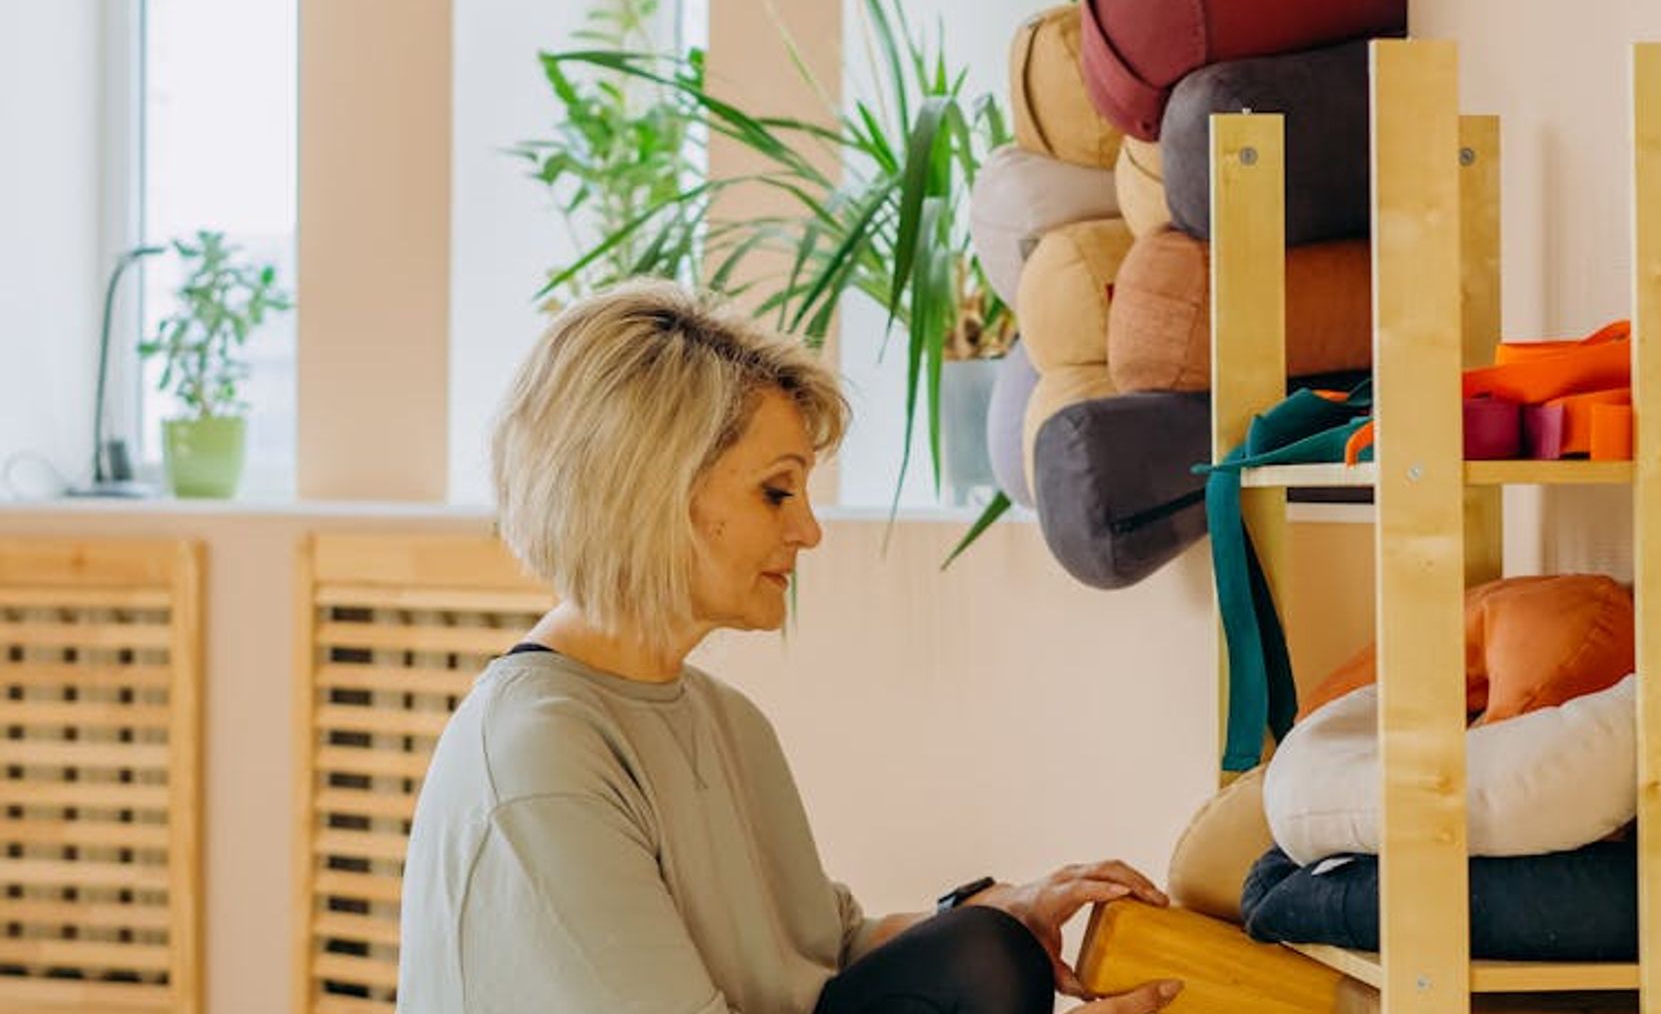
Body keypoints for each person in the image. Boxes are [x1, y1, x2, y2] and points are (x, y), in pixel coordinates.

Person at [398, 283, 1185, 1013]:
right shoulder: (540, 765)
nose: (807, 530)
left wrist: (1009, 908)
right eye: (776, 491)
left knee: (990, 950)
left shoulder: (724, 721)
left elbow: (829, 953)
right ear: (650, 490)